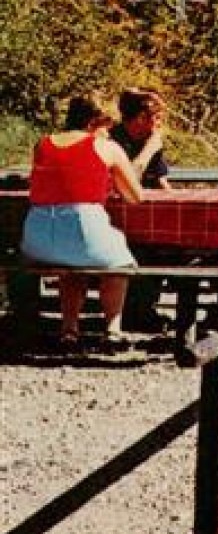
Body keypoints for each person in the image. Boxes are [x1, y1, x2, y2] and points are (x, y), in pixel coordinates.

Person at [21, 96, 145, 348]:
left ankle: (69, 328)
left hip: (37, 233)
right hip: (82, 225)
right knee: (118, 262)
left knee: (71, 261)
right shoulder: (106, 147)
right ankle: (112, 328)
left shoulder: (42, 144)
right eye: (106, 125)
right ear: (93, 122)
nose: (108, 131)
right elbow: (135, 196)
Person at [112, 90, 172, 334]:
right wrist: (148, 150)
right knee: (143, 249)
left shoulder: (151, 140)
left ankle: (144, 309)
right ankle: (135, 312)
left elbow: (160, 180)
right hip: (116, 215)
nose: (158, 124)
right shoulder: (112, 141)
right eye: (155, 118)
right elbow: (126, 181)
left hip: (143, 212)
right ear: (139, 118)